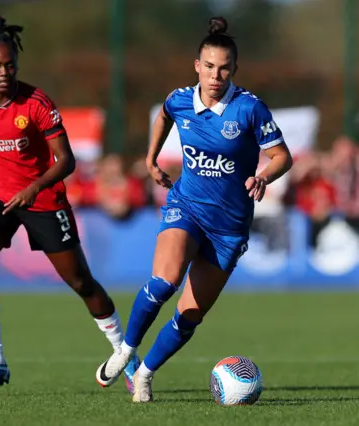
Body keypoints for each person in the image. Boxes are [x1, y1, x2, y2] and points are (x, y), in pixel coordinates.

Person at [95, 17, 293, 402]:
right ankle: (126, 352)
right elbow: (164, 115)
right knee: (163, 282)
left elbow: (282, 155)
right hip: (186, 207)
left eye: (224, 68)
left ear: (234, 70)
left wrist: (265, 176)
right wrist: (151, 158)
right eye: (209, 66)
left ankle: (146, 375)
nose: (215, 75)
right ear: (197, 66)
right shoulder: (181, 98)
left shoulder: (249, 109)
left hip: (229, 229)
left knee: (189, 316)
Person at [0, 16, 139, 393]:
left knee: (80, 281)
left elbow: (66, 160)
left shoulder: (36, 103)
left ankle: (125, 353)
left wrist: (34, 188)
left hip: (43, 199)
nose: (5, 72)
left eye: (11, 65)